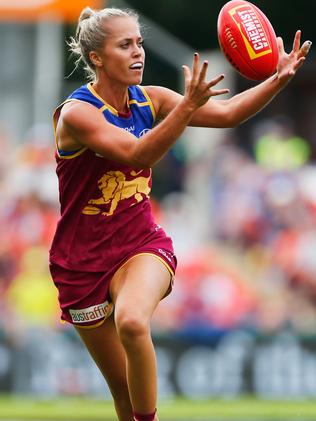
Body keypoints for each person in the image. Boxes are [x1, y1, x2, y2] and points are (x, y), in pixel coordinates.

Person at [49, 6, 311, 421]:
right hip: (79, 263)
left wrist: (277, 80)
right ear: (97, 58)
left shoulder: (151, 98)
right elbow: (139, 152)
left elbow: (225, 115)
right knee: (122, 395)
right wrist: (186, 108)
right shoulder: (77, 114)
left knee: (133, 322)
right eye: (125, 45)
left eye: (139, 43)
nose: (138, 53)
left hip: (140, 245)